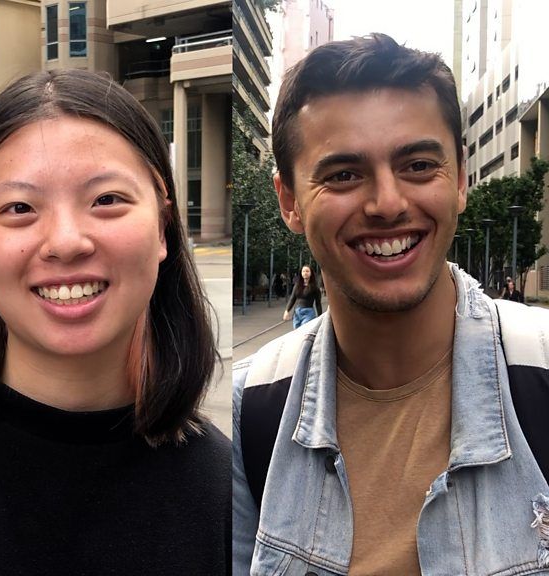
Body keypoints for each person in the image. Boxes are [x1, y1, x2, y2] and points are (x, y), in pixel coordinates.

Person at [0, 69, 231, 575]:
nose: (66, 241)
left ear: (163, 227)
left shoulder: (228, 490)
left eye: (106, 199)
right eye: (20, 207)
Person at [233, 34, 549, 575]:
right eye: (344, 175)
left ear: (462, 179)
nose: (387, 204)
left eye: (419, 165)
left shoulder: (540, 374)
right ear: (288, 201)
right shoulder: (250, 412)